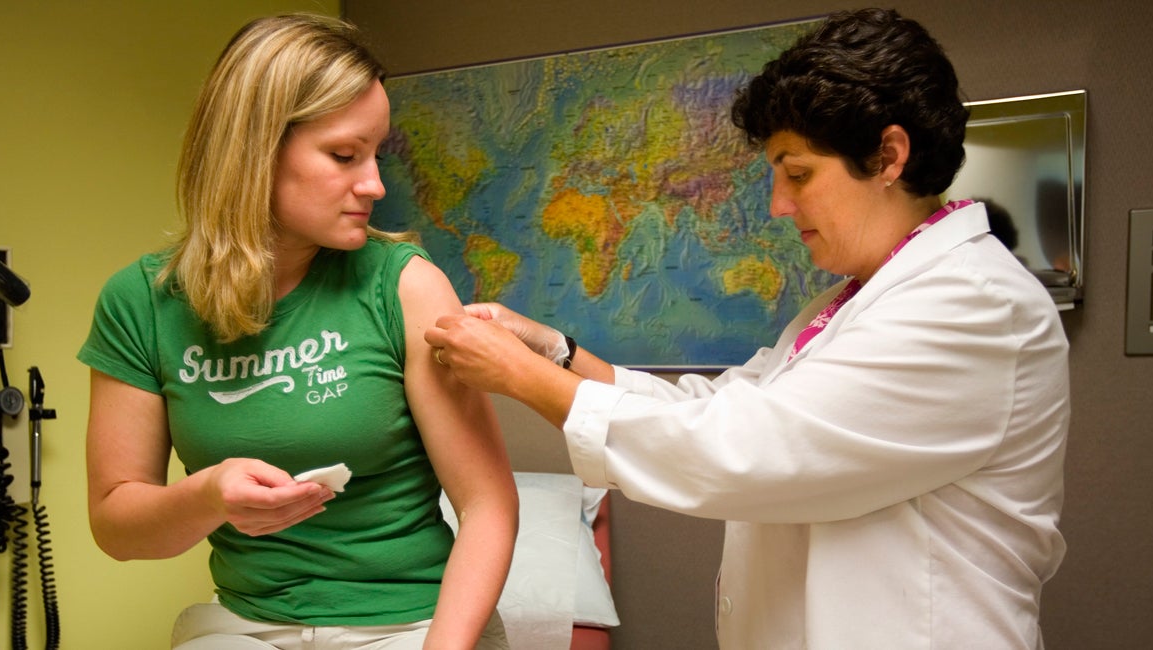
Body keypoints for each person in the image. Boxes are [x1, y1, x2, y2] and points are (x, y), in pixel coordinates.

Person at [425, 8, 1068, 649]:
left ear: (888, 156)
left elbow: (745, 448)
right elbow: (721, 406)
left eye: (799, 174)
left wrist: (522, 377)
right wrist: (556, 352)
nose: (779, 205)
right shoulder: (855, 299)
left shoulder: (973, 304)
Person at [77, 14, 517, 650]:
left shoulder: (403, 284)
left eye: (376, 154)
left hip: (412, 623)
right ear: (254, 151)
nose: (375, 184)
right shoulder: (140, 302)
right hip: (248, 625)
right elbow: (117, 527)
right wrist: (208, 496)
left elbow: (488, 507)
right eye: (344, 155)